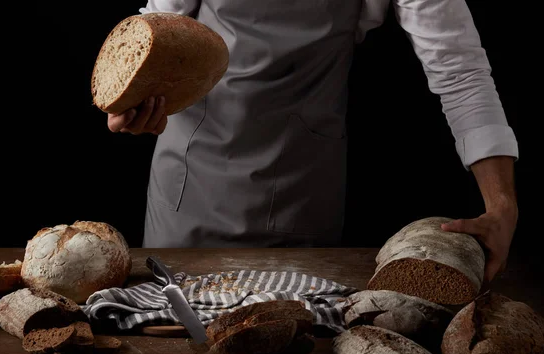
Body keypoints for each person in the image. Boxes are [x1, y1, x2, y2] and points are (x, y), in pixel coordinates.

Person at [107, 0, 519, 285]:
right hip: (189, 182)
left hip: (299, 188)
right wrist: (129, 99)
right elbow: (158, 31)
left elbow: (460, 72)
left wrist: (501, 204)